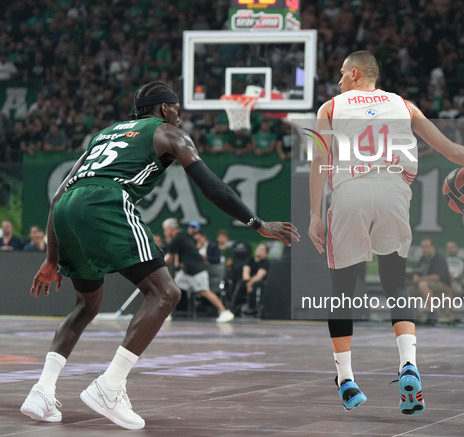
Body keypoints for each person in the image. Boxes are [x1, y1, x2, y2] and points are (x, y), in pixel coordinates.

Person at [20, 81, 299, 430]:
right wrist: (256, 222)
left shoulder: (104, 134)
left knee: (85, 306)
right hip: (107, 201)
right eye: (178, 109)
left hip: (67, 209)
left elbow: (60, 194)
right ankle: (110, 386)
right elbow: (211, 186)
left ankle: (42, 391)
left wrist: (51, 257)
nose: (180, 116)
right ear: (165, 109)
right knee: (166, 292)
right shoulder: (169, 133)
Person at [308, 51, 464, 415]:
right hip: (394, 192)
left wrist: (315, 214)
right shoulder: (404, 106)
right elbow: (450, 149)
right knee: (396, 283)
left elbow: (319, 160)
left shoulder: (330, 107)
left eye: (343, 74)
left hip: (350, 191)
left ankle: (346, 379)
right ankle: (408, 364)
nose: (339, 80)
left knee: (341, 288)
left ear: (356, 73)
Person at [161, 218, 234, 323]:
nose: (164, 232)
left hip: (197, 270)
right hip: (187, 270)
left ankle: (225, 312)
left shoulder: (177, 239)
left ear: (171, 229)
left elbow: (170, 258)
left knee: (204, 291)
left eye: (165, 230)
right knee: (173, 289)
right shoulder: (184, 235)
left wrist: (158, 266)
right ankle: (166, 314)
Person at [407, 238, 452, 322]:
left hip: (442, 285)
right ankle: (416, 314)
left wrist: (419, 279)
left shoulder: (439, 258)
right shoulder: (423, 259)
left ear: (433, 247)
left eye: (427, 247)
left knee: (422, 284)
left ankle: (432, 311)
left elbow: (436, 277)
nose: (425, 249)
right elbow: (417, 272)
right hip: (426, 285)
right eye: (423, 247)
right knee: (407, 290)